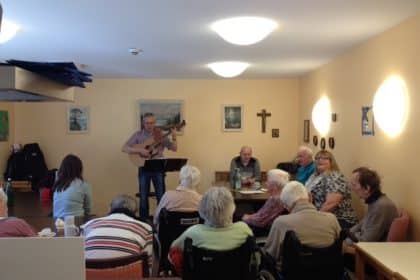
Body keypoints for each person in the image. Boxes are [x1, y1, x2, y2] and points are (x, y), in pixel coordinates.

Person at [169, 187, 253, 276]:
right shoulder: (244, 229)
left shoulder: (193, 233)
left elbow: (173, 250)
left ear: (202, 210)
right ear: (232, 208)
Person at [264, 181, 341, 271]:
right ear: (310, 198)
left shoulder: (281, 222)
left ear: (286, 206)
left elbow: (271, 254)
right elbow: (341, 249)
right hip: (329, 273)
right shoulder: (331, 219)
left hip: (292, 274)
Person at [122, 112, 177, 220]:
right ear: (143, 123)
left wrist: (174, 136)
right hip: (143, 167)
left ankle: (161, 221)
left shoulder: (160, 135)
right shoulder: (138, 135)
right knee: (143, 197)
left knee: (161, 195)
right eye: (147, 123)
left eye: (151, 123)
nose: (149, 125)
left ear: (155, 123)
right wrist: (140, 150)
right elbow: (124, 148)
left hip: (158, 168)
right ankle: (144, 221)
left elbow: (174, 148)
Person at [82, 194, 153, 266]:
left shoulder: (88, 225)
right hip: (128, 275)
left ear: (109, 208)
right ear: (135, 212)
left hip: (90, 275)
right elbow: (148, 264)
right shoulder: (145, 228)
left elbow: (78, 256)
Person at [305, 150, 357, 229]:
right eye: (317, 158)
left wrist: (314, 219)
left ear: (331, 162)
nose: (320, 160)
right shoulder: (315, 176)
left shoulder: (335, 177)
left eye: (324, 158)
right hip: (320, 216)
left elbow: (331, 204)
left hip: (338, 219)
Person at [346, 167, 398, 245]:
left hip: (373, 251)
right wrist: (346, 234)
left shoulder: (380, 206)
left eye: (354, 185)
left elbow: (366, 241)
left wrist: (344, 241)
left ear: (367, 188)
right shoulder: (377, 201)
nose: (352, 188)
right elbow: (362, 223)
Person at [242, 169, 289, 233]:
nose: (266, 183)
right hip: (266, 225)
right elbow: (261, 215)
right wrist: (250, 216)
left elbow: (260, 221)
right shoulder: (282, 197)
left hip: (262, 229)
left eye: (268, 181)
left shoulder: (275, 200)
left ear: (274, 186)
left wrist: (247, 218)